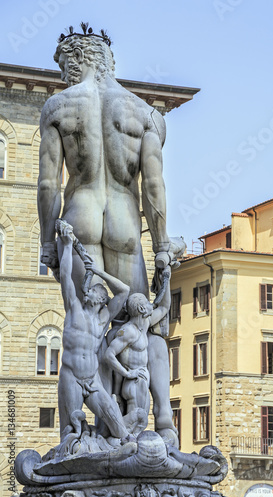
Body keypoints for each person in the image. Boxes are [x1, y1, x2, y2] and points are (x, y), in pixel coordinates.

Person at [37, 25, 175, 440]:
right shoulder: (146, 114)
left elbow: (47, 184)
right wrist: (163, 247)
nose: (62, 75)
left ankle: (88, 431)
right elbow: (153, 187)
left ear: (73, 61)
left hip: (79, 220)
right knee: (142, 325)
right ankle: (162, 424)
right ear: (108, 60)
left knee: (89, 325)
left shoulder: (59, 106)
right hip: (125, 223)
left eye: (62, 67)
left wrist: (48, 239)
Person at [57, 222, 132, 442]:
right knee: (71, 429)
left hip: (92, 379)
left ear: (100, 299)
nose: (87, 291)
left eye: (92, 290)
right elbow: (65, 276)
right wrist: (68, 245)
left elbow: (124, 291)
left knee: (118, 424)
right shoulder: (74, 308)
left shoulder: (103, 319)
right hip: (71, 376)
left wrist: (99, 271)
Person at [104, 267, 171, 435]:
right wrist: (127, 374)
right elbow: (109, 355)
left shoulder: (144, 325)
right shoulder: (129, 331)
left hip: (139, 382)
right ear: (141, 309)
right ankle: (119, 440)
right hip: (134, 384)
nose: (150, 305)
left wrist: (166, 280)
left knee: (140, 422)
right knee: (137, 422)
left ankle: (122, 441)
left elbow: (164, 307)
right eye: (147, 304)